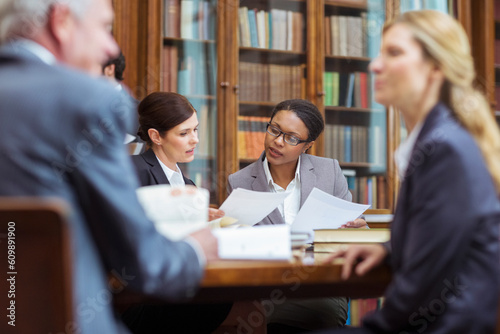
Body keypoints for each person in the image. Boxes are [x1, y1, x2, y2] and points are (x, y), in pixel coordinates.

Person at [0, 1, 220, 333]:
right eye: (104, 27)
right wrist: (197, 248)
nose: (111, 47)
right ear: (61, 22)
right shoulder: (88, 100)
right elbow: (146, 264)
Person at [318, 10, 500, 333]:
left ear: (435, 68)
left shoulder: (445, 150)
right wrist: (389, 249)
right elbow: (442, 241)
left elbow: (421, 289)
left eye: (394, 53)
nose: (374, 65)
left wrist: (373, 327)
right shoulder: (440, 139)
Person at [122, 91, 266, 334]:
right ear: (156, 136)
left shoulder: (188, 185)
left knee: (250, 307)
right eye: (184, 133)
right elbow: (130, 234)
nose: (195, 139)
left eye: (195, 130)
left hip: (186, 281)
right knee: (249, 311)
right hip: (149, 294)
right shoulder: (134, 170)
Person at [227, 98, 368, 332]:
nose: (277, 142)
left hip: (320, 282)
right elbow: (237, 245)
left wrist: (359, 231)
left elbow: (353, 234)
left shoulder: (329, 171)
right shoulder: (239, 182)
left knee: (321, 314)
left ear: (307, 145)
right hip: (266, 286)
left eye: (291, 138)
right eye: (274, 130)